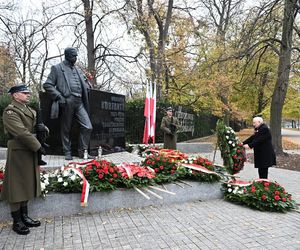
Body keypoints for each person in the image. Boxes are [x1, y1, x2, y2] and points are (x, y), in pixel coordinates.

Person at [1, 84, 44, 235]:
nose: (28, 95)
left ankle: (24, 216)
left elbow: (33, 130)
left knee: (27, 183)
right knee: (16, 185)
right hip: (19, 151)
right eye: (24, 93)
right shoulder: (10, 111)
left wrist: (43, 130)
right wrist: (38, 146)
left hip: (29, 150)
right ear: (14, 95)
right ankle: (17, 220)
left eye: (27, 93)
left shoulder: (29, 110)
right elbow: (21, 132)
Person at [43, 47, 93, 160]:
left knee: (88, 126)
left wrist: (87, 86)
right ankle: (67, 151)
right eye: (73, 56)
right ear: (66, 56)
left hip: (79, 101)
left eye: (76, 56)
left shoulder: (78, 70)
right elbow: (47, 85)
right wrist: (59, 96)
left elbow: (84, 85)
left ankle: (82, 152)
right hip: (67, 100)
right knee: (66, 128)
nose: (75, 58)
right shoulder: (57, 68)